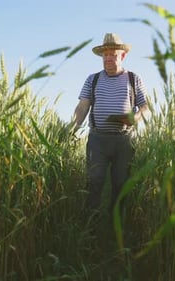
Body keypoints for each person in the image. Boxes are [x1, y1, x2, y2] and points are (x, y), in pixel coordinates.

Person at [71, 33, 149, 217]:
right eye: (105, 55)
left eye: (112, 55)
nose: (108, 58)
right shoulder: (92, 79)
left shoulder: (134, 79)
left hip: (124, 140)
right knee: (94, 180)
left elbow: (146, 107)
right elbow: (83, 106)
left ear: (122, 56)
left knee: (121, 183)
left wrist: (135, 118)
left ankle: (116, 227)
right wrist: (73, 127)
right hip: (97, 139)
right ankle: (90, 227)